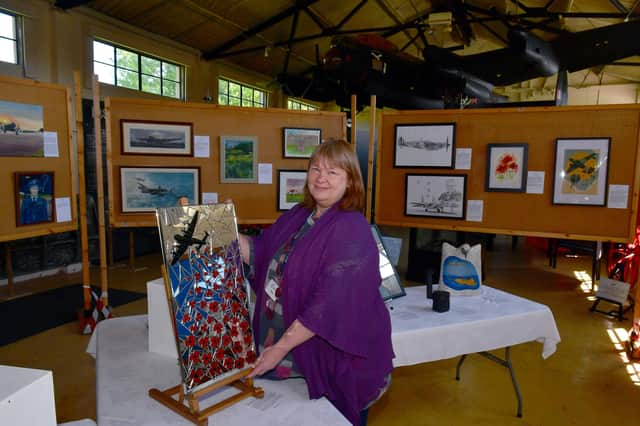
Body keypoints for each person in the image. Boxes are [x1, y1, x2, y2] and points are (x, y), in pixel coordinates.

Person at [238, 139, 394, 425]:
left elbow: (328, 305)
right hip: (289, 353)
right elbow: (261, 254)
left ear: (350, 181)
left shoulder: (351, 229)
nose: (321, 178)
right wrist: (221, 229)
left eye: (333, 172)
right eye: (315, 169)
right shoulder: (298, 216)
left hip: (334, 360)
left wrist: (280, 349)